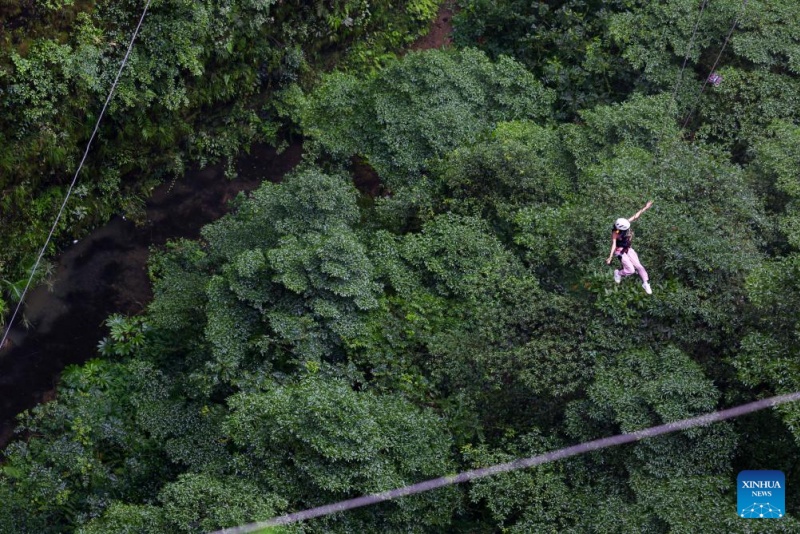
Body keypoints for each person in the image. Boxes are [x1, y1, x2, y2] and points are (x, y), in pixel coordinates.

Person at [605, 200, 653, 294]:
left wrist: (645, 208)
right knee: (631, 270)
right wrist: (610, 257)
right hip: (620, 251)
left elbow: (635, 216)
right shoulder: (615, 232)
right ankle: (618, 273)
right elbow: (614, 244)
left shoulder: (625, 223)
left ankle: (645, 283)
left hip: (628, 249)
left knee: (639, 266)